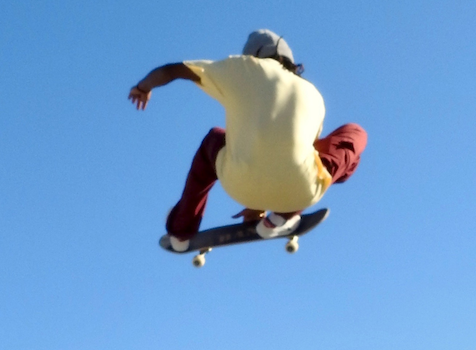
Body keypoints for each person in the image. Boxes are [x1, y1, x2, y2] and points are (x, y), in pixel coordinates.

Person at [129, 30, 367, 252]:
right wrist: (263, 204)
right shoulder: (314, 95)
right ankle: (282, 217)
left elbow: (172, 71)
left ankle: (180, 233)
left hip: (238, 184)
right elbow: (288, 154)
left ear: (254, 55)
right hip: (303, 190)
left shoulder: (242, 68)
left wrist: (143, 87)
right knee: (354, 134)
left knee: (214, 138)